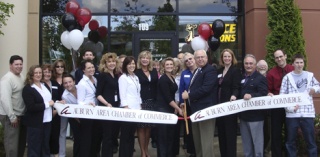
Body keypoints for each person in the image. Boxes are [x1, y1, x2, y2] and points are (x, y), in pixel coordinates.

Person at [280, 54, 320, 157]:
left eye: (301, 62)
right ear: (292, 64)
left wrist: (314, 89)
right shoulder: (287, 78)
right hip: (292, 115)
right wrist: (290, 108)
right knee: (290, 142)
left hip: (307, 114)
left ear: (304, 63)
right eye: (297, 62)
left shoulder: (309, 75)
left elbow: (318, 86)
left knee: (311, 142)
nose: (299, 65)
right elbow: (282, 96)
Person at [182, 49, 218, 157]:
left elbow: (206, 89)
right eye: (198, 57)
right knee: (198, 141)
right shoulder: (198, 70)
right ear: (195, 59)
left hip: (205, 110)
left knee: (206, 142)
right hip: (196, 110)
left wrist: (189, 95)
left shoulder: (210, 70)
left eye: (202, 57)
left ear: (207, 58)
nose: (200, 59)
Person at [266, 49, 294, 157]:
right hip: (277, 107)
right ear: (275, 59)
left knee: (290, 133)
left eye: (281, 56)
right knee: (276, 134)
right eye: (277, 57)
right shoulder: (271, 73)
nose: (279, 59)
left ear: (285, 56)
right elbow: (268, 89)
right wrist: (268, 93)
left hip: (291, 106)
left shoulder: (293, 69)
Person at [22, 65, 54, 157]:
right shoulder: (28, 89)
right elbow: (31, 107)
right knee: (34, 149)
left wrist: (57, 102)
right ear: (31, 74)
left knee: (45, 147)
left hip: (47, 121)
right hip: (35, 123)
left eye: (40, 72)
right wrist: (47, 104)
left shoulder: (44, 85)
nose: (38, 74)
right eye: (36, 73)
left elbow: (50, 100)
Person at [239, 54, 268, 157]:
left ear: (255, 65)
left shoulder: (260, 78)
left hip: (256, 117)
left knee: (258, 145)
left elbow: (263, 94)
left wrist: (251, 95)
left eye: (251, 63)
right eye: (246, 63)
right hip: (243, 116)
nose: (248, 65)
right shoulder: (241, 77)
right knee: (247, 146)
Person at [216, 49, 242, 157]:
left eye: (229, 56)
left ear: (232, 58)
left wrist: (234, 95)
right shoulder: (218, 71)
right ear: (222, 58)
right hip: (219, 106)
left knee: (230, 134)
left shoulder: (235, 71)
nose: (227, 58)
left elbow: (237, 87)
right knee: (221, 134)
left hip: (230, 106)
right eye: (225, 56)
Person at [156, 57, 183, 157]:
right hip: (163, 110)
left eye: (171, 64)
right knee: (163, 137)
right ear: (163, 66)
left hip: (170, 109)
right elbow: (167, 98)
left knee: (170, 136)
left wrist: (175, 107)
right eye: (167, 64)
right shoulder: (163, 79)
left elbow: (172, 95)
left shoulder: (171, 77)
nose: (169, 66)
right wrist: (178, 108)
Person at [0, 55, 26, 157]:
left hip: (20, 115)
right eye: (16, 64)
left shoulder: (21, 76)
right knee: (12, 146)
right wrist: (12, 117)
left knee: (20, 145)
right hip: (10, 117)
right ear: (10, 65)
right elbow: (4, 99)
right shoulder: (6, 79)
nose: (19, 66)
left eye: (20, 64)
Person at [96, 52, 120, 157]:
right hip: (106, 109)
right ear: (104, 63)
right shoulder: (102, 75)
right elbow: (98, 94)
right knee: (107, 136)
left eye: (113, 61)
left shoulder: (116, 75)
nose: (111, 63)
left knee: (113, 135)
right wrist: (107, 104)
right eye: (109, 62)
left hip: (115, 108)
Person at [135, 51, 158, 157]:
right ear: (140, 59)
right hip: (140, 102)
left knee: (148, 128)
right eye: (143, 57)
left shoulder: (153, 71)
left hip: (152, 101)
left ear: (150, 60)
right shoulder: (136, 71)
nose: (145, 59)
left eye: (147, 58)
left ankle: (146, 150)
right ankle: (143, 152)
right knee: (141, 127)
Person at [118, 56, 142, 157]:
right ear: (125, 66)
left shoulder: (135, 77)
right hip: (128, 110)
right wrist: (125, 107)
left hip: (136, 109)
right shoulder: (123, 78)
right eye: (129, 64)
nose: (132, 66)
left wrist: (140, 105)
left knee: (131, 135)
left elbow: (137, 93)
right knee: (125, 136)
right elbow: (122, 94)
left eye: (133, 63)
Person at [77, 60, 98, 157]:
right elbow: (80, 102)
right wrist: (87, 104)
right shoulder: (82, 83)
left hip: (96, 113)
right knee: (86, 139)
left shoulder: (95, 79)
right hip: (87, 115)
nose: (91, 69)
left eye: (92, 67)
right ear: (83, 70)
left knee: (95, 138)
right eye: (89, 68)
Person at [42, 64, 64, 157]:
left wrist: (59, 104)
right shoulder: (39, 84)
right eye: (45, 72)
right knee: (45, 137)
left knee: (55, 136)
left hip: (55, 114)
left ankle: (55, 154)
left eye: (49, 72)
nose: (47, 74)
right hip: (44, 115)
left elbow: (59, 97)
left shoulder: (54, 83)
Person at [179, 52, 197, 157]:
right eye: (186, 60)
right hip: (188, 105)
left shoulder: (200, 71)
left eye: (190, 59)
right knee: (189, 128)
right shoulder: (184, 73)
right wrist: (182, 102)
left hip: (198, 104)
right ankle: (192, 151)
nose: (189, 61)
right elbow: (182, 88)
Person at [61, 74, 81, 157]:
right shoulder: (64, 96)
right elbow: (72, 112)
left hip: (86, 116)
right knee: (78, 138)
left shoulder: (81, 87)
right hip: (74, 118)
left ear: (74, 82)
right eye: (65, 83)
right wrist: (80, 121)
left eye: (70, 82)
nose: (68, 84)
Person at [51, 60, 67, 157]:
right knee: (54, 132)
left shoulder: (67, 79)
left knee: (63, 132)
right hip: (54, 110)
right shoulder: (51, 81)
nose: (60, 68)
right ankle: (53, 153)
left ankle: (62, 154)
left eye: (62, 66)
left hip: (66, 110)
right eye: (57, 66)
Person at [256, 59, 271, 156]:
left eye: (264, 65)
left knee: (268, 132)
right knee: (259, 132)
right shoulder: (254, 77)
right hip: (257, 111)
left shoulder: (270, 77)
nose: (262, 67)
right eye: (260, 66)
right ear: (256, 68)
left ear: (267, 67)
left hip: (269, 110)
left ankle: (266, 150)